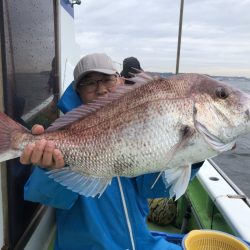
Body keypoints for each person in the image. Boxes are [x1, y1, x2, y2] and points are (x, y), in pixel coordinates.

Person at [21, 53, 202, 250]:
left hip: (141, 243)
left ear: (120, 81)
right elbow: (46, 197)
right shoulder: (61, 132)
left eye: (107, 79)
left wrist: (195, 155)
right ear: (77, 91)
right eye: (89, 83)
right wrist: (50, 169)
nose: (101, 89)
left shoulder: (138, 127)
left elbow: (153, 188)